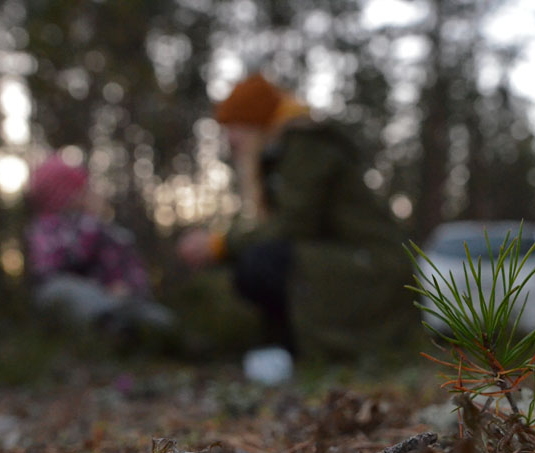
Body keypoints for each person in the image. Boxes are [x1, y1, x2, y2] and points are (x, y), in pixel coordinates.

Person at [176, 73, 416, 360]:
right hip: (345, 259)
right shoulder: (281, 155)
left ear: (256, 122)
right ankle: (282, 349)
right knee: (256, 260)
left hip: (376, 267)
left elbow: (293, 225)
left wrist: (219, 245)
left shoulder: (306, 146)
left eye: (234, 127)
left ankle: (299, 350)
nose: (230, 139)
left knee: (264, 262)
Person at [25, 153, 177, 340]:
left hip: (120, 300)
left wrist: (129, 289)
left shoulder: (107, 230)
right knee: (58, 291)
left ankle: (159, 335)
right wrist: (92, 222)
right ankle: (111, 326)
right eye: (80, 190)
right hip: (79, 300)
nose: (89, 193)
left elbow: (129, 265)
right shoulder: (46, 229)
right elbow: (64, 261)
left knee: (159, 318)